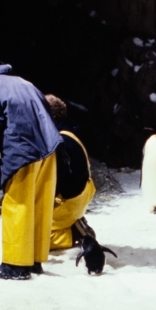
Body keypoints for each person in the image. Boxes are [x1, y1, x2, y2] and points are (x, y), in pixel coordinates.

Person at [0, 55, 61, 280]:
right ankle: (33, 260)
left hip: (23, 150)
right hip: (49, 146)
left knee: (16, 204)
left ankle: (15, 264)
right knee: (39, 205)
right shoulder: (21, 81)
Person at [45, 94, 96, 250]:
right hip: (82, 197)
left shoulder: (58, 142)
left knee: (33, 239)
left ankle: (74, 233)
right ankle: (73, 222)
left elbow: (58, 182)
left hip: (67, 204)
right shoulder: (70, 133)